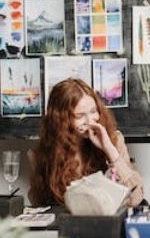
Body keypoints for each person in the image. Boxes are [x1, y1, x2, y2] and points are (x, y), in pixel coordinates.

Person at [28, 78, 143, 207]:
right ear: (61, 120)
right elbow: (40, 204)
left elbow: (135, 198)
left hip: (106, 218)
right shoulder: (41, 153)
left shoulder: (114, 140)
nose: (90, 121)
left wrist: (109, 150)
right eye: (79, 116)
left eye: (93, 111)